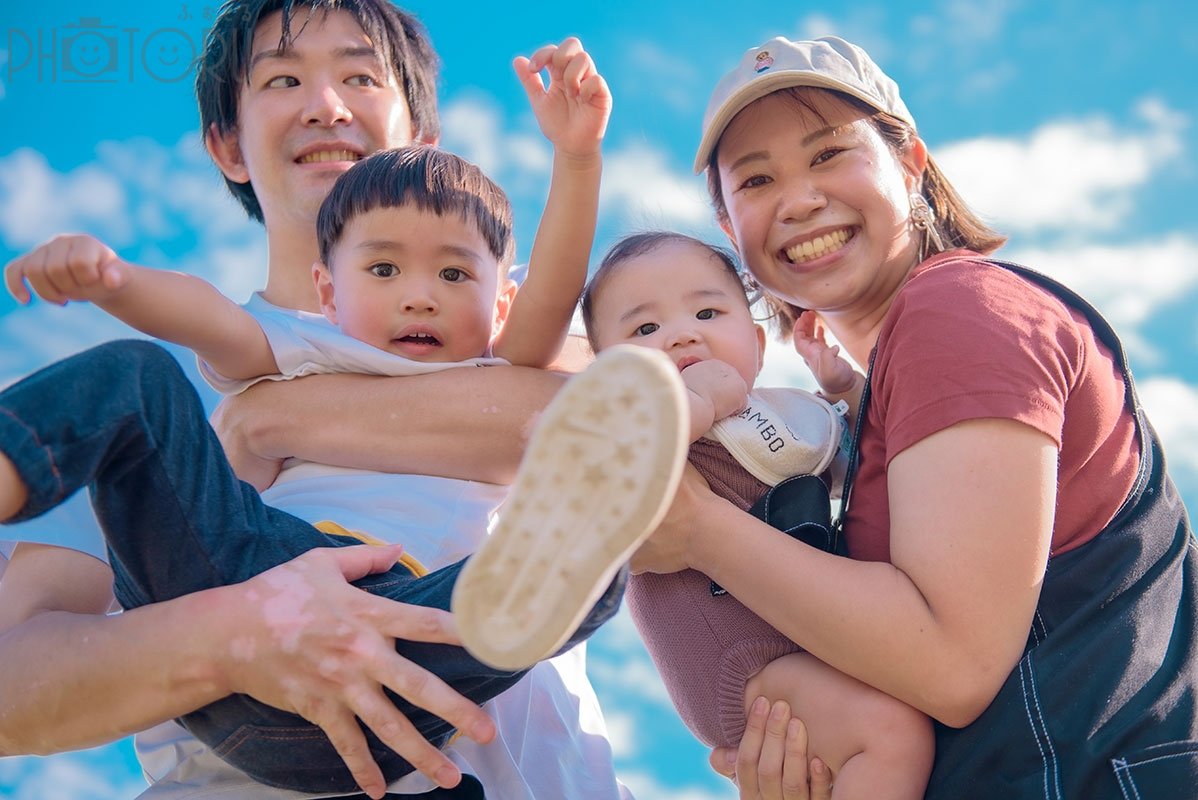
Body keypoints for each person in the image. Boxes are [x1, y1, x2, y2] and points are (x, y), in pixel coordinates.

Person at [0, 3, 631, 799]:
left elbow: (632, 388)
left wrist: (577, 159)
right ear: (228, 145)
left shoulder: (558, 362)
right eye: (283, 78)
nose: (325, 103)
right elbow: (9, 693)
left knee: (546, 580)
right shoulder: (159, 417)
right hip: (252, 740)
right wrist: (239, 634)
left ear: (422, 141)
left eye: (360, 75)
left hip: (470, 731)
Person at [628, 34, 1198, 799]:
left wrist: (697, 528)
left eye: (828, 155)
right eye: (756, 180)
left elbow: (952, 664)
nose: (798, 200)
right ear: (732, 230)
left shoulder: (956, 308)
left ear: (909, 163)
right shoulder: (874, 396)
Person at [580, 231, 933, 798]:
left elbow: (878, 461)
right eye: (645, 329)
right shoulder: (630, 433)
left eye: (706, 311)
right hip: (738, 659)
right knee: (892, 735)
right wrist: (699, 400)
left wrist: (845, 392)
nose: (681, 333)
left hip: (820, 633)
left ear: (759, 345)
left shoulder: (786, 420)